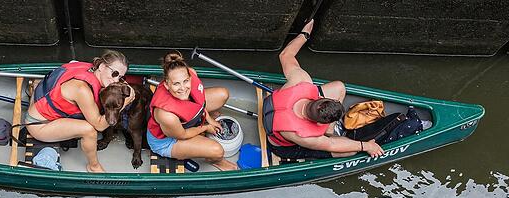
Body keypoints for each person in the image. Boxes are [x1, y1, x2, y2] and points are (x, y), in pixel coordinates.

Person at [265, 20, 384, 160]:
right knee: (349, 151)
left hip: (274, 108)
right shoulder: (301, 135)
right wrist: (366, 146)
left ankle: (330, 131)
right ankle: (328, 135)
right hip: (280, 145)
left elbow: (285, 55)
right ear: (320, 123)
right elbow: (331, 145)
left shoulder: (301, 80)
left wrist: (304, 34)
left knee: (338, 87)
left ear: (319, 99)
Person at [25, 51, 135, 173]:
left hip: (38, 99)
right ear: (102, 66)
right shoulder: (82, 89)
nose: (116, 80)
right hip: (39, 124)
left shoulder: (87, 67)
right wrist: (125, 102)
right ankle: (93, 166)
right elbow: (100, 125)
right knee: (89, 130)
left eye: (120, 77)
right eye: (114, 74)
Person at [146, 51, 238, 171]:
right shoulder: (166, 114)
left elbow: (200, 102)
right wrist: (206, 127)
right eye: (176, 84)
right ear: (167, 85)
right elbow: (182, 135)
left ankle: (197, 123)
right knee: (217, 151)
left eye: (185, 81)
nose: (183, 88)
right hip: (167, 141)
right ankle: (216, 161)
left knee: (223, 94)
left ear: (189, 77)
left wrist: (208, 118)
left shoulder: (192, 73)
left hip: (185, 121)